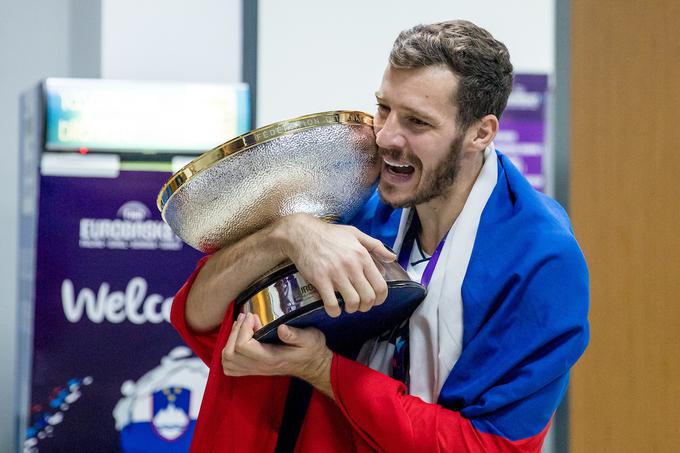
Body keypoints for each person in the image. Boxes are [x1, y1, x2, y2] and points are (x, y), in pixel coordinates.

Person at [171, 20, 589, 452]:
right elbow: (198, 315)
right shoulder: (358, 194)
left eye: (418, 122)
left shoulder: (540, 261)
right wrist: (288, 233)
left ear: (480, 133)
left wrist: (323, 368)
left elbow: (487, 446)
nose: (386, 137)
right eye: (384, 108)